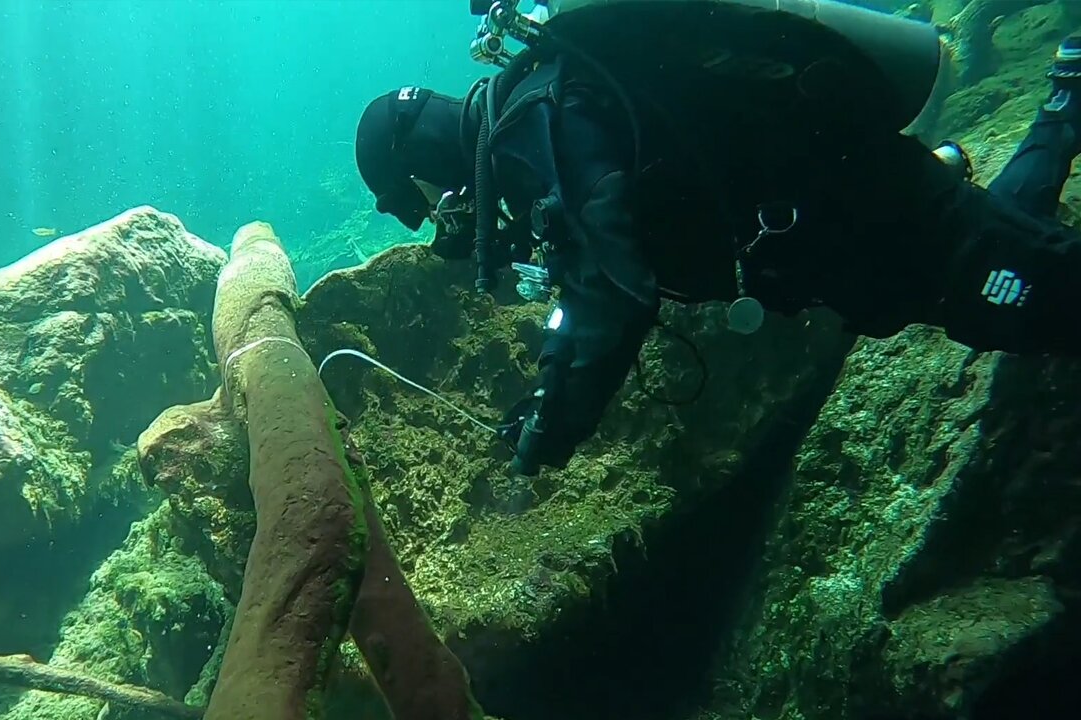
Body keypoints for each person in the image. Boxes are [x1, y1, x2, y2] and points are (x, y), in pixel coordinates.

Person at [354, 1, 1081, 477]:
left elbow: (613, 290)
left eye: (421, 203)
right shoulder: (535, 125)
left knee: (1028, 293)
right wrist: (549, 390)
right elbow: (589, 279)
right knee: (985, 292)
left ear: (424, 163)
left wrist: (555, 428)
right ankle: (1064, 100)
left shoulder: (533, 127)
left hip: (851, 205)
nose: (442, 222)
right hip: (830, 238)